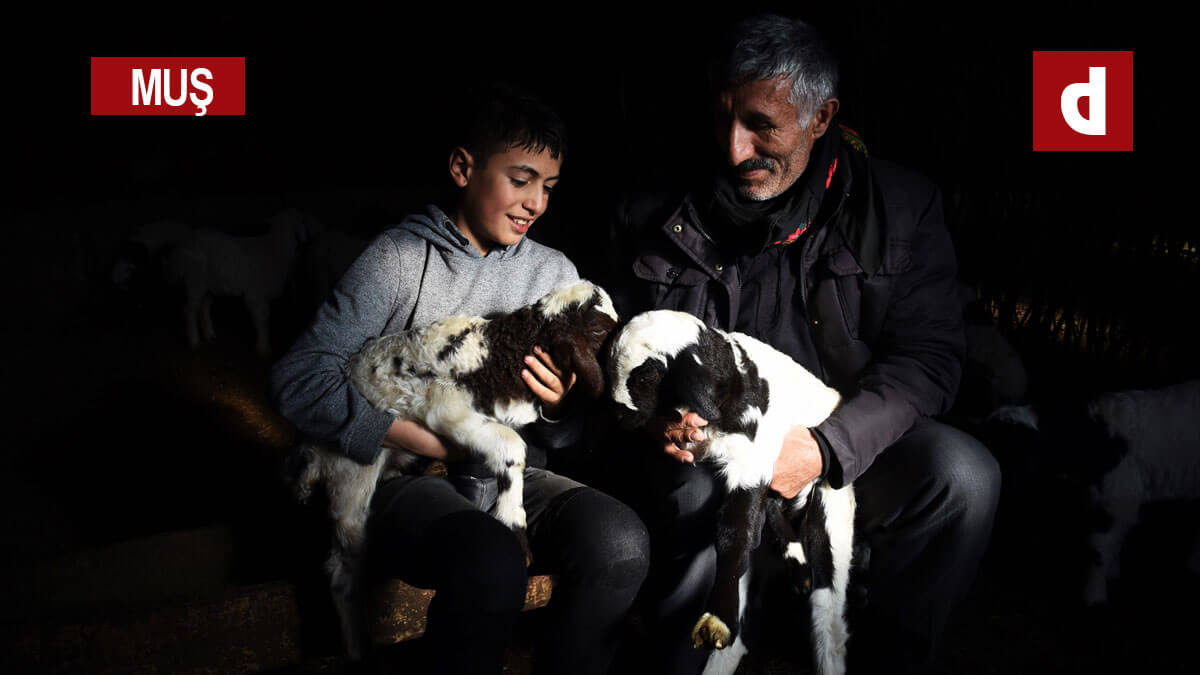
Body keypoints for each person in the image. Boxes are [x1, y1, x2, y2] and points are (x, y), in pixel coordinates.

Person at [600, 14, 1001, 675]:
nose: (734, 148)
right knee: (701, 492)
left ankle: (880, 656)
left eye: (762, 124)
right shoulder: (651, 205)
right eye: (724, 118)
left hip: (843, 439)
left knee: (964, 477)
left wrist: (826, 449)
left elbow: (929, 359)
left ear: (822, 118)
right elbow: (618, 347)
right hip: (708, 446)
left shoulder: (904, 207)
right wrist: (654, 418)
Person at [269, 83, 649, 675]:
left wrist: (556, 410)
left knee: (620, 542)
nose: (535, 203)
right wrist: (422, 439)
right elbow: (297, 378)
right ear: (463, 167)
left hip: (506, 473)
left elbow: (569, 431)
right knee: (490, 559)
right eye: (520, 180)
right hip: (407, 472)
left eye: (548, 187)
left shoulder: (553, 274)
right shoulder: (398, 261)